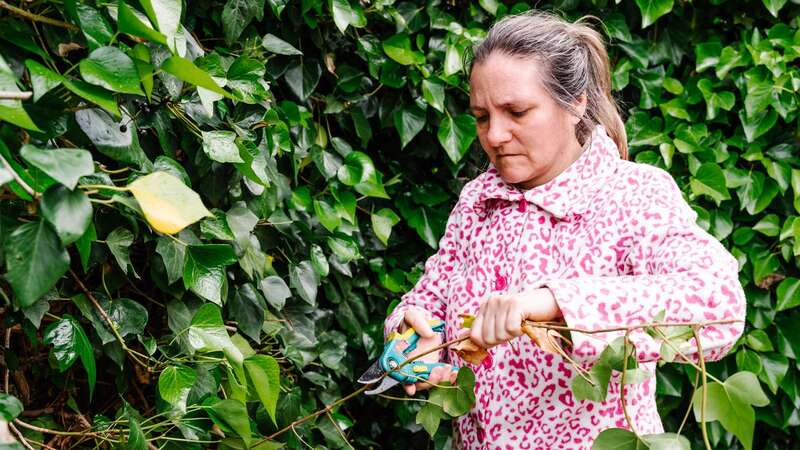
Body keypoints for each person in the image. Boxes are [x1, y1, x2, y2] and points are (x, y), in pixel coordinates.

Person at [382, 11, 746, 450]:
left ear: (576, 102)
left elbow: (719, 303)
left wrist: (554, 301)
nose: (494, 135)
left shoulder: (631, 196)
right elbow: (432, 299)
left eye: (516, 111)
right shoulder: (478, 202)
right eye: (481, 116)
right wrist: (411, 336)